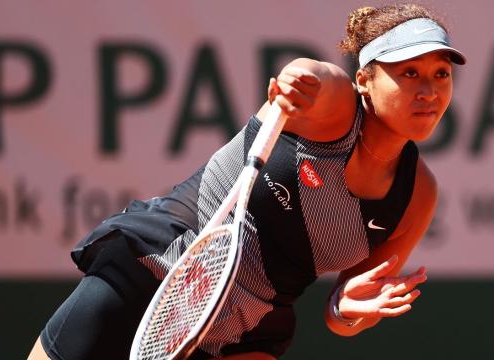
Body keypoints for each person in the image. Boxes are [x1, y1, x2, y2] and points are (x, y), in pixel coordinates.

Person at [28, 3, 466, 360]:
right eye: (409, 72)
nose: (428, 90)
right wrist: (299, 81)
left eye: (440, 74)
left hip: (247, 329)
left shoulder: (418, 195)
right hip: (162, 268)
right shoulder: (334, 108)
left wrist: (346, 310)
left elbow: (342, 310)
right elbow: (314, 75)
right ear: (364, 81)